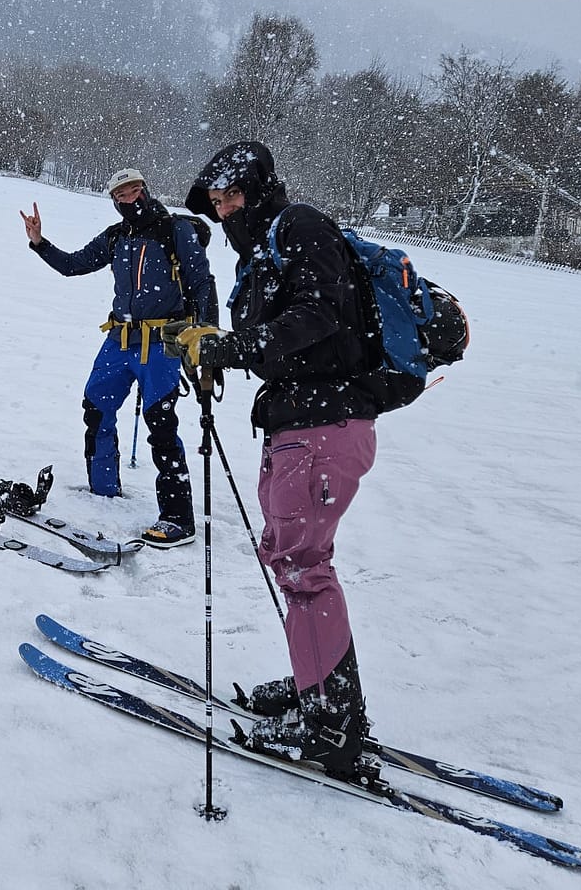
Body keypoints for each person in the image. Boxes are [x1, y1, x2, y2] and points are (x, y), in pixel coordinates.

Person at [168, 140, 383, 780]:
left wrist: (237, 346)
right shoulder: (262, 252)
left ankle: (331, 725)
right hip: (301, 426)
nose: (224, 210)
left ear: (258, 190)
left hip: (324, 426)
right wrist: (222, 349)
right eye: (215, 202)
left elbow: (319, 315)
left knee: (302, 567)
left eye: (232, 196)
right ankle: (318, 686)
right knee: (295, 562)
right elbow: (281, 336)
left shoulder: (301, 228)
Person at [20, 168, 217, 548]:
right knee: (95, 407)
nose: (130, 198)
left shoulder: (176, 231)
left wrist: (206, 338)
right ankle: (103, 491)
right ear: (114, 200)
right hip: (119, 340)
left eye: (135, 190)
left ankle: (178, 519)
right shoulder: (116, 236)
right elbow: (74, 264)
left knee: (160, 423)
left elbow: (202, 283)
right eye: (122, 195)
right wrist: (39, 242)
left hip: (161, 344)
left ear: (146, 189)